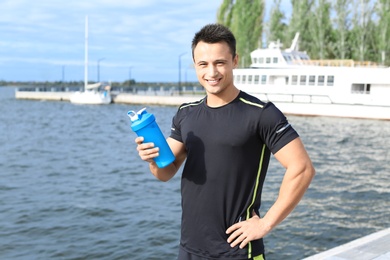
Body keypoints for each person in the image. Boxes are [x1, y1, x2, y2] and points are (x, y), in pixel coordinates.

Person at [135, 23, 315, 260]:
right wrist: (151, 159)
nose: (212, 72)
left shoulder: (261, 113)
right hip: (189, 248)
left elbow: (302, 169)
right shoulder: (186, 113)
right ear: (195, 66)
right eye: (203, 64)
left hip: (238, 251)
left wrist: (266, 223)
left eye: (220, 62)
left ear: (235, 61)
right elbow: (166, 172)